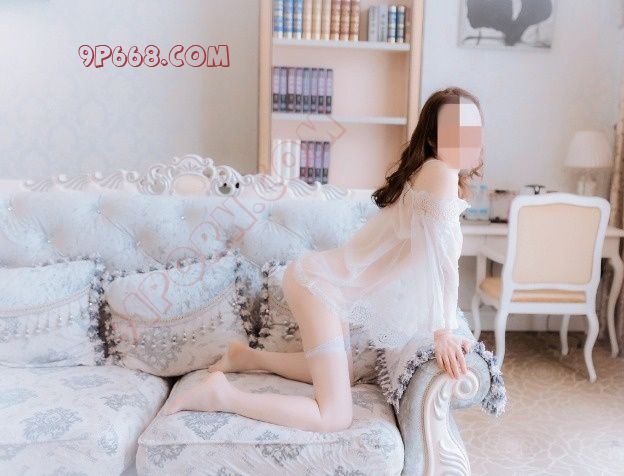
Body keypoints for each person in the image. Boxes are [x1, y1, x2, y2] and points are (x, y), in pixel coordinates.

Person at [162, 86, 486, 434]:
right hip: (319, 286)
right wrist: (443, 332)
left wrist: (445, 329)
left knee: (345, 373)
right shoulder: (440, 172)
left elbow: (435, 262)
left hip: (322, 282)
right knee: (333, 417)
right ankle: (221, 395)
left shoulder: (438, 175)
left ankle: (246, 357)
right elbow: (443, 262)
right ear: (434, 139)